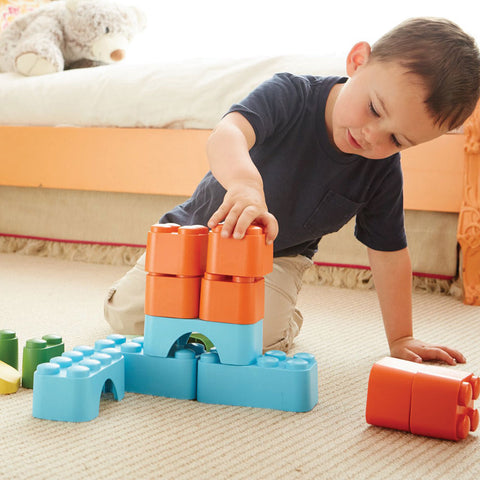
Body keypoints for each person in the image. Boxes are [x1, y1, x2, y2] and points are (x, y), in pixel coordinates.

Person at [105, 17, 480, 365]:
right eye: (374, 109)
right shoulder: (289, 94)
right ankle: (197, 305)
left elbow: (390, 253)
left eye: (396, 139)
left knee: (255, 339)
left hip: (275, 258)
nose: (371, 137)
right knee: (124, 316)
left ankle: (280, 319)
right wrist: (245, 184)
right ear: (358, 61)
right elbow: (227, 134)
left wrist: (402, 338)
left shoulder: (381, 171)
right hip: (197, 232)